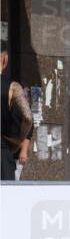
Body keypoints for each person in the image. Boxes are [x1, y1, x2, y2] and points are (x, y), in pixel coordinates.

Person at [1, 39, 32, 181]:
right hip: (3, 155)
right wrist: (18, 141)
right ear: (5, 59)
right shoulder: (13, 88)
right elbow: (27, 117)